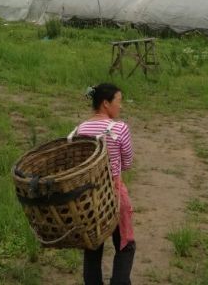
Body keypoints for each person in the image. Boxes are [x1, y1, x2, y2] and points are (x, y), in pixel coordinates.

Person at [75, 83, 135, 285]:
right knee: (125, 246)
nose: (120, 106)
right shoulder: (119, 128)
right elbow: (127, 162)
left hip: (89, 199)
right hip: (114, 197)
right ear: (105, 103)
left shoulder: (79, 129)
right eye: (118, 101)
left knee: (93, 249)